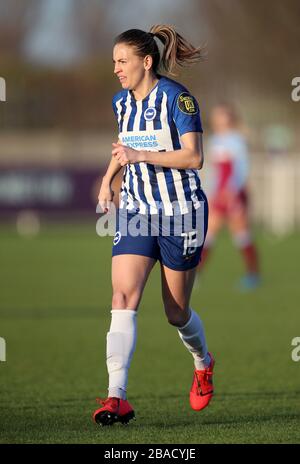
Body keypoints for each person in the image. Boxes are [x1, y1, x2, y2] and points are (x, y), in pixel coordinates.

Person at [93, 25, 214, 427]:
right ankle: (116, 397)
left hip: (182, 213)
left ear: (146, 62)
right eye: (114, 62)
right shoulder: (121, 101)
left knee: (176, 313)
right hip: (137, 210)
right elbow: (124, 141)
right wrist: (110, 177)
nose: (116, 69)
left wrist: (139, 155)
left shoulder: (178, 99)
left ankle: (203, 360)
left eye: (122, 61)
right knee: (122, 297)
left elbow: (194, 157)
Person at [196, 103, 260, 289]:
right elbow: (214, 173)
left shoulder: (237, 140)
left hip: (233, 194)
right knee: (208, 234)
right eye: (216, 116)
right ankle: (196, 274)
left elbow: (241, 168)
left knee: (241, 234)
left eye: (221, 115)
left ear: (229, 118)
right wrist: (210, 192)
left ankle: (253, 275)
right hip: (218, 195)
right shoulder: (214, 140)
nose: (217, 119)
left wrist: (232, 190)